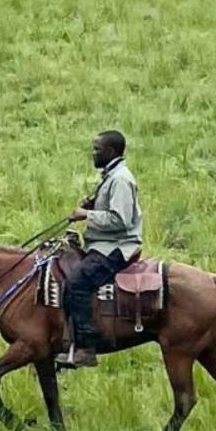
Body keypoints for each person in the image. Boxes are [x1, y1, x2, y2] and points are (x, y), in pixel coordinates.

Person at [58, 129, 141, 369]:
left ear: (111, 151)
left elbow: (120, 220)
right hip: (103, 244)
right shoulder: (111, 176)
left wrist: (87, 215)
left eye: (97, 149)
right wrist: (93, 205)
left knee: (77, 282)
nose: (93, 153)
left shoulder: (121, 180)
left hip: (117, 247)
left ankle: (86, 347)